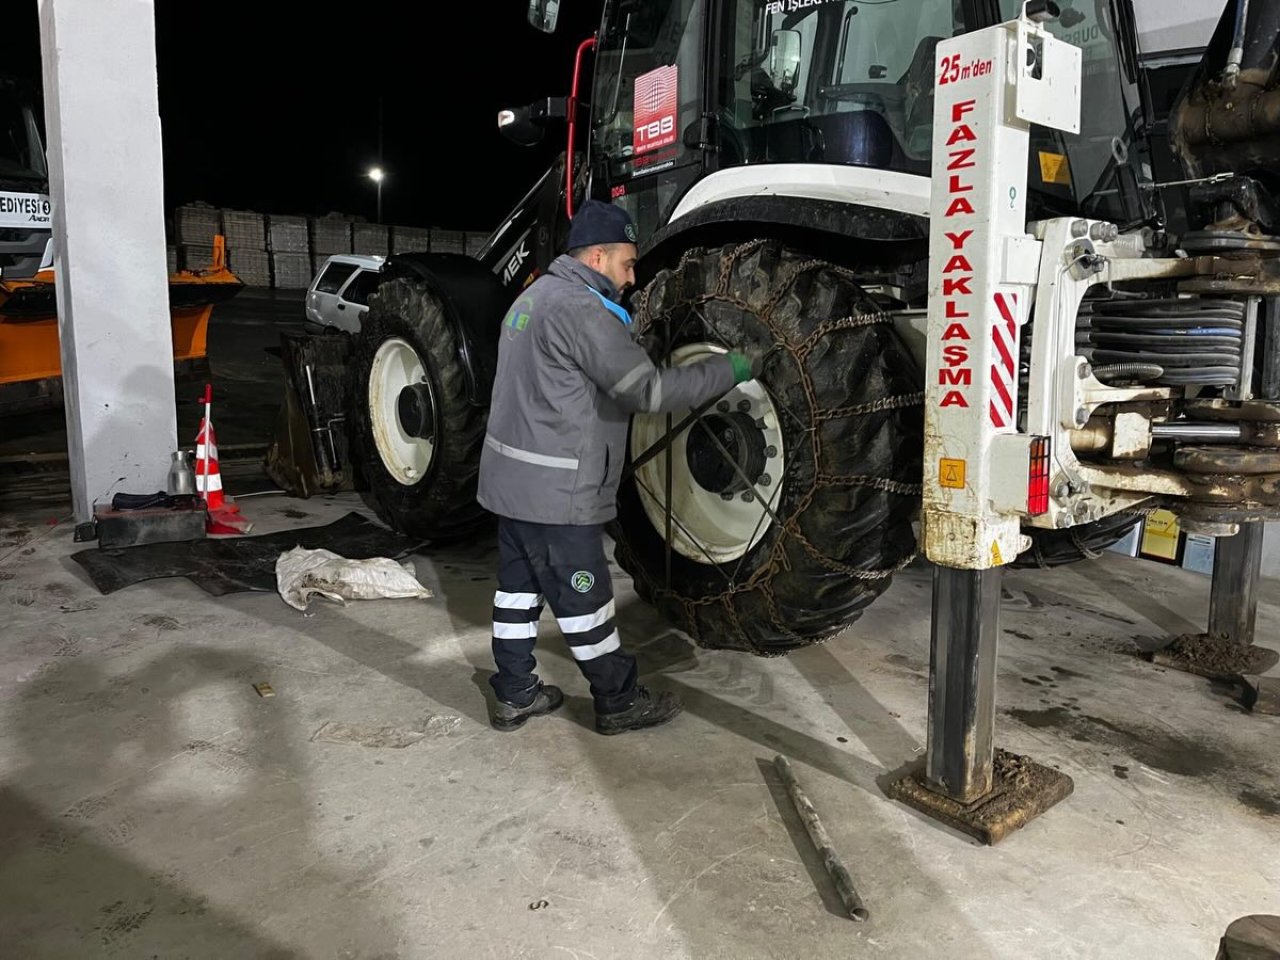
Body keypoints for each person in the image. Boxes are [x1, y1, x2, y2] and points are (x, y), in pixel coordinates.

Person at [476, 199, 760, 735]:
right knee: (586, 604)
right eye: (628, 264)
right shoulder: (584, 311)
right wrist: (731, 369)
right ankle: (618, 699)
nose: (633, 278)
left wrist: (633, 345)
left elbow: (567, 373)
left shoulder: (534, 297)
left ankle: (514, 694)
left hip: (511, 487)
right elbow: (646, 392)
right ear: (598, 257)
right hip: (558, 497)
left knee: (517, 596)